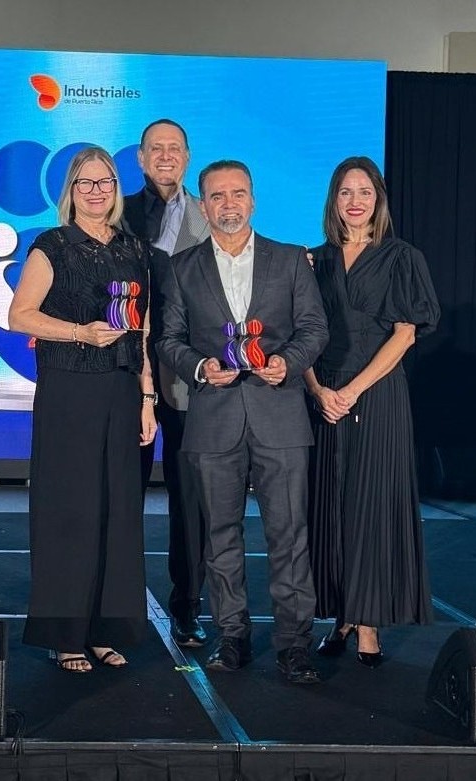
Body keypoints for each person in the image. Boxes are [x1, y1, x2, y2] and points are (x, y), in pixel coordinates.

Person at [156, 160, 328, 683]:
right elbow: (168, 340)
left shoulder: (290, 260)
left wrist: (287, 363)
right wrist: (201, 367)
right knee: (220, 535)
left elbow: (314, 328)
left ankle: (294, 644)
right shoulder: (181, 268)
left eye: (237, 194)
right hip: (214, 417)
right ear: (203, 205)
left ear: (252, 200)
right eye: (217, 196)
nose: (228, 204)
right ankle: (232, 636)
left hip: (280, 414)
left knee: (290, 535)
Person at [8, 146, 157, 673]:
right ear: (70, 191)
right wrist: (79, 332)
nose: (96, 192)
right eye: (86, 183)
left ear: (116, 189)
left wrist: (147, 397)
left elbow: (142, 329)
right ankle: (65, 634)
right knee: (69, 513)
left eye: (105, 182)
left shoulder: (134, 249)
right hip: (68, 391)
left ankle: (105, 629)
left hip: (121, 391)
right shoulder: (52, 246)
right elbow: (19, 315)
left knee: (118, 513)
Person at [305, 156, 439, 667]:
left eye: (364, 192)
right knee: (331, 505)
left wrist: (353, 391)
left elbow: (405, 335)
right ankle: (341, 614)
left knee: (372, 506)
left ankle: (369, 624)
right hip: (325, 397)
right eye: (346, 192)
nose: (355, 201)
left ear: (378, 199)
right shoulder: (314, 261)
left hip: (377, 395)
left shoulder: (402, 257)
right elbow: (301, 335)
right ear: (334, 201)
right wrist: (320, 391)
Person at [122, 119, 210, 648]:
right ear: (140, 157)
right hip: (126, 372)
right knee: (121, 493)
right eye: (155, 148)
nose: (165, 155)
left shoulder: (209, 215)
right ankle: (117, 605)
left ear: (187, 156)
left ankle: (188, 606)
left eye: (174, 148)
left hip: (189, 377)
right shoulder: (117, 212)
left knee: (190, 497)